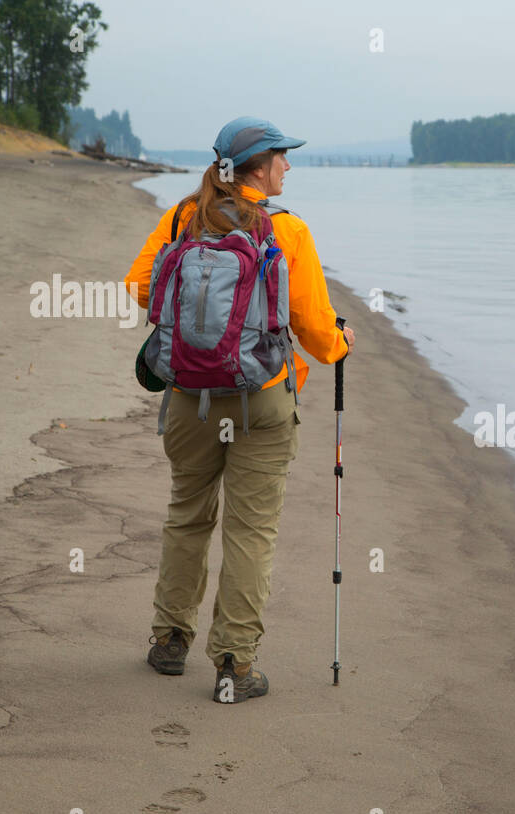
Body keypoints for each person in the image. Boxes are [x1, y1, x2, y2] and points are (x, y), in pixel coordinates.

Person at [124, 116, 355, 703]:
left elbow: (139, 284)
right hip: (262, 399)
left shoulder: (183, 216)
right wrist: (340, 344)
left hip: (189, 398)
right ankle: (234, 665)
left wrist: (196, 327)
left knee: (187, 515)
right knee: (251, 532)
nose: (288, 166)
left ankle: (170, 641)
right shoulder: (286, 230)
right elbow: (312, 327)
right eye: (282, 156)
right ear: (258, 164)